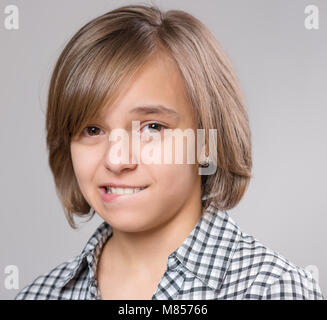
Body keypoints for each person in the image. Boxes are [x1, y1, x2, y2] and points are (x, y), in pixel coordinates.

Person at [15, 4, 324, 300]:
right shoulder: (40, 295)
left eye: (152, 127)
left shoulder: (273, 290)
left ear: (206, 140)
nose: (116, 159)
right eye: (93, 130)